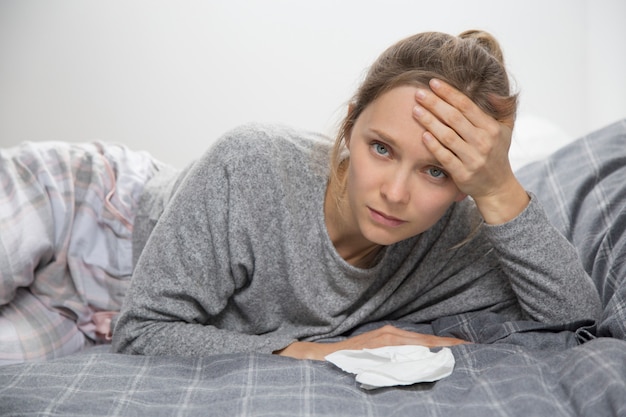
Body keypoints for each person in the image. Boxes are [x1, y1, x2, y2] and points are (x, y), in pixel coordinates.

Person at [109, 30, 601, 361]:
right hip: (103, 212)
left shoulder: (459, 242)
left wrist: (498, 187)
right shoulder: (251, 164)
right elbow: (142, 329)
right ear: (349, 127)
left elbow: (576, 325)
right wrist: (324, 350)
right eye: (381, 148)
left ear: (462, 186)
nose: (393, 193)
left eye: (436, 171)